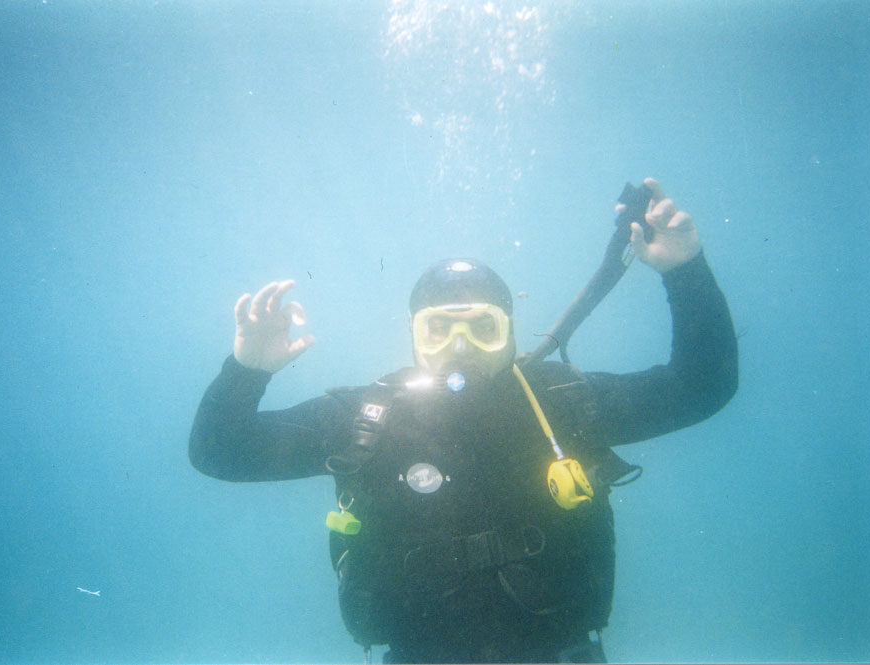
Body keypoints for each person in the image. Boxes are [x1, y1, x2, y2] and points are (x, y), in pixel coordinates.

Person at [189, 178, 738, 664]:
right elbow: (220, 452)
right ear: (414, 335)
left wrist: (686, 271)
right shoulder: (367, 420)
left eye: (483, 328)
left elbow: (702, 386)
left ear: (510, 331)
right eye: (438, 330)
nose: (460, 347)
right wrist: (246, 371)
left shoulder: (562, 403)